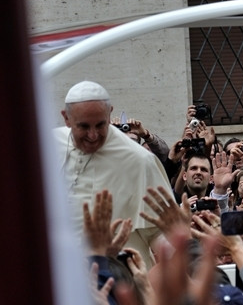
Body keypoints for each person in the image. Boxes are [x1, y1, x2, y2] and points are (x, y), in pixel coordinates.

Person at [54, 80, 170, 267]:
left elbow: (160, 233)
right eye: (83, 126)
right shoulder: (45, 146)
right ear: (66, 118)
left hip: (121, 277)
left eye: (100, 125)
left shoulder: (140, 160)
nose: (93, 135)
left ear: (110, 114)